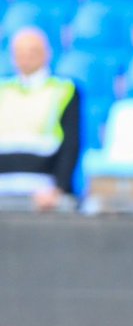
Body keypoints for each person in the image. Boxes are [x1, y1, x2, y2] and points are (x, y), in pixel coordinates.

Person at [0, 28, 81, 212]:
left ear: (47, 53)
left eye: (33, 51)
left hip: (43, 192)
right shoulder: (3, 89)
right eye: (20, 52)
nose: (26, 57)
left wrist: (59, 187)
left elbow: (71, 144)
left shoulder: (64, 90)